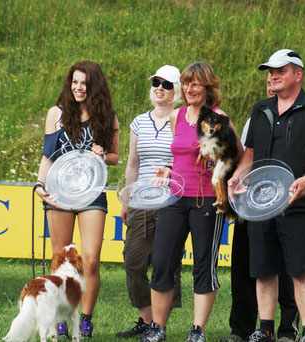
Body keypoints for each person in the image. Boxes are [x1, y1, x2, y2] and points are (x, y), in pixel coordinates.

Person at [228, 49, 305, 342]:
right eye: (270, 72)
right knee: (263, 269)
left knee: (300, 270)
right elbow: (250, 152)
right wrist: (239, 175)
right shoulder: (260, 109)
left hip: (298, 203)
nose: (273, 76)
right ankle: (264, 329)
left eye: (280, 70)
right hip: (260, 202)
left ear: (298, 74)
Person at [143, 62, 243, 342]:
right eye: (186, 84)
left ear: (208, 88)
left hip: (206, 201)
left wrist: (228, 179)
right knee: (162, 261)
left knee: (203, 264)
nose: (189, 89)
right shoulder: (176, 116)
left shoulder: (218, 117)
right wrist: (168, 169)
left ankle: (197, 331)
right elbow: (180, 155)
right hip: (175, 198)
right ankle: (157, 329)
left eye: (195, 84)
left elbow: (238, 154)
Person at [34, 60, 119, 338]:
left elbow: (115, 157)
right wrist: (39, 184)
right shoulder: (56, 113)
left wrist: (102, 155)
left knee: (91, 259)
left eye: (83, 83)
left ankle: (85, 319)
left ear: (94, 86)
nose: (78, 88)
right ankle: (61, 316)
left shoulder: (108, 117)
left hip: (93, 192)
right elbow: (48, 155)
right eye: (74, 82)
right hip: (59, 191)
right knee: (60, 260)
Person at [221, 73, 300, 342]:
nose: (270, 86)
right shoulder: (256, 116)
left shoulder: (298, 118)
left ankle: (288, 329)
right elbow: (247, 155)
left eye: (275, 81)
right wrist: (236, 180)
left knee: (286, 268)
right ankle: (240, 329)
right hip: (251, 203)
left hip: (283, 202)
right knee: (244, 266)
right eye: (267, 83)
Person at [115, 65, 183, 339]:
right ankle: (148, 321)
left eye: (166, 84)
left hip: (170, 200)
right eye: (156, 82)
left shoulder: (182, 118)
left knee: (165, 263)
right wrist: (126, 199)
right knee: (133, 261)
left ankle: (158, 327)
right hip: (141, 200)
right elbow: (133, 163)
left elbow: (185, 158)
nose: (159, 88)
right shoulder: (139, 122)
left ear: (176, 90)